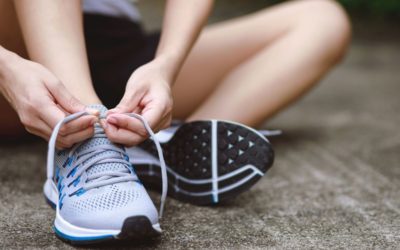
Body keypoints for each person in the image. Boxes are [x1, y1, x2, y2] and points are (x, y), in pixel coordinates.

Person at [0, 0, 351, 244]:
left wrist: (166, 65)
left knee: (322, 21)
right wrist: (7, 69)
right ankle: (86, 142)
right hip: (13, 57)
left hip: (117, 49)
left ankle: (156, 146)